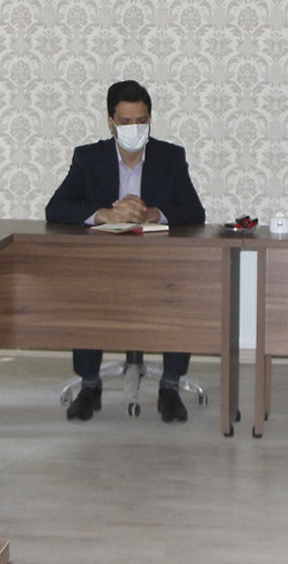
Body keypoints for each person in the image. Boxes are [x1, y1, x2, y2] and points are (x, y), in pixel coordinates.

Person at [45, 79, 207, 423]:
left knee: (181, 289)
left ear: (150, 120)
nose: (135, 128)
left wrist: (152, 214)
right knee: (86, 290)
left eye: (141, 121)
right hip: (104, 263)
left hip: (158, 262)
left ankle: (170, 387)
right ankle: (90, 387)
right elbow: (55, 208)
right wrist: (104, 214)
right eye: (126, 121)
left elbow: (195, 212)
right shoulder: (88, 158)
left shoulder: (170, 157)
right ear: (111, 122)